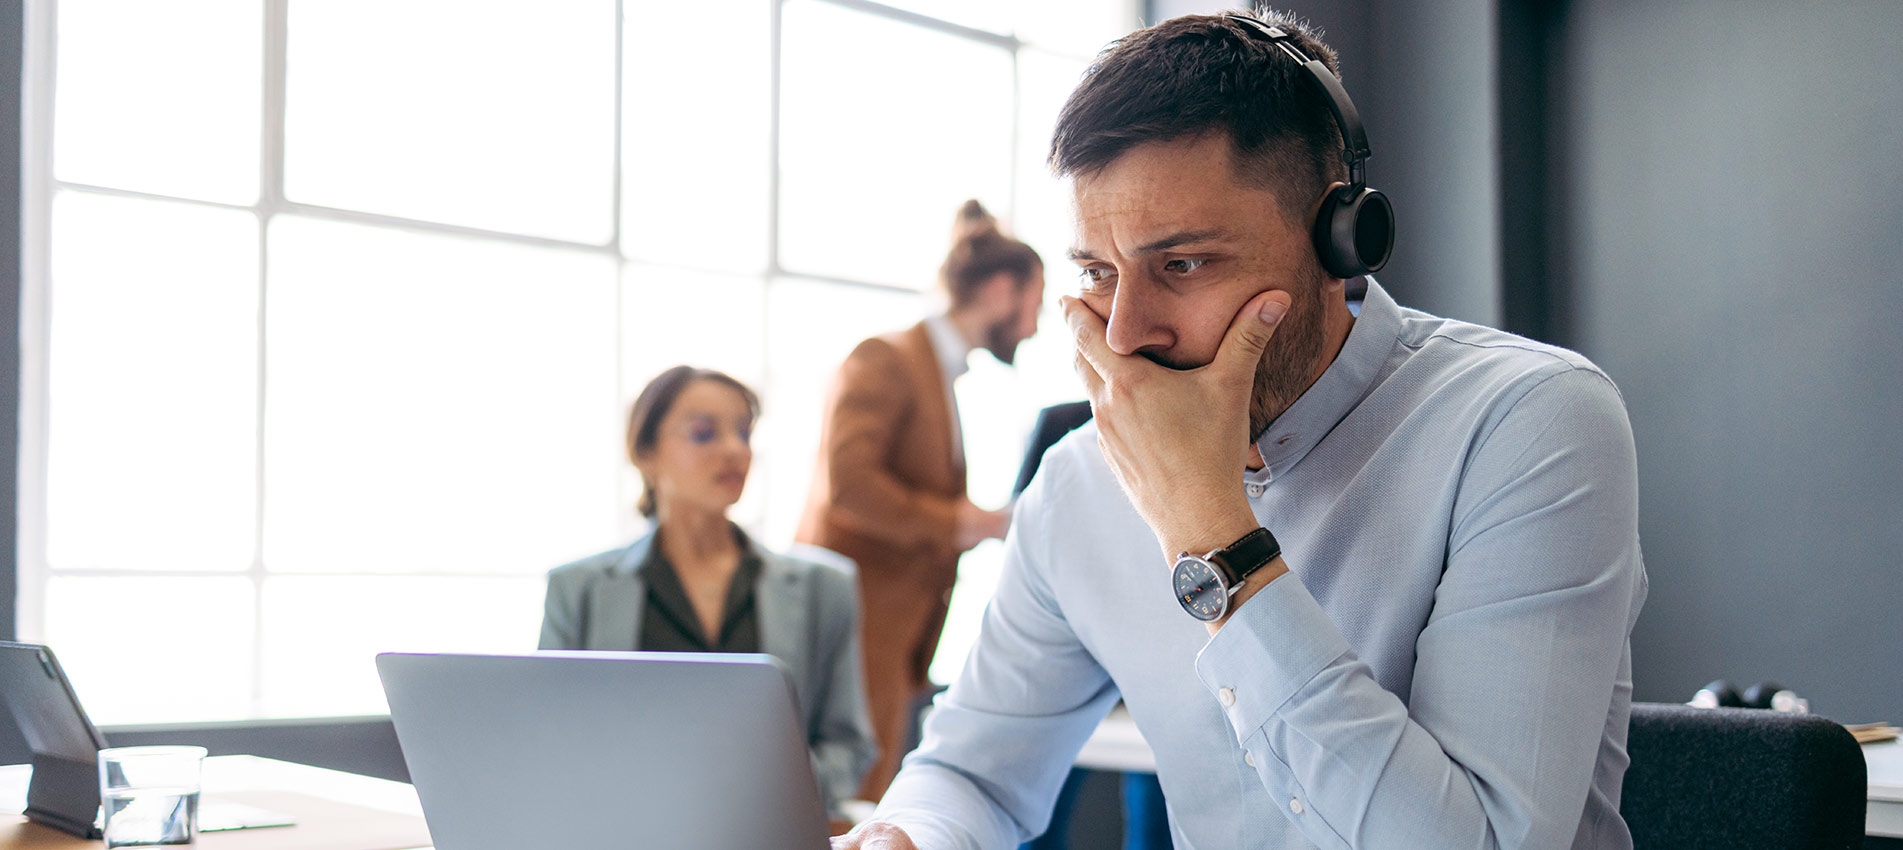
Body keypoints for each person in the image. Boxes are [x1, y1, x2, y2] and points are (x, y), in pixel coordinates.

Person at [839, 10, 1646, 850]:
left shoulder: (1528, 421)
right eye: (1097, 273)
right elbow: (969, 773)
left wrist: (1211, 534)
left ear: (1341, 242)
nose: (1123, 334)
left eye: (1181, 265)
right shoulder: (1078, 485)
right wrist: (912, 835)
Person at [539, 365, 874, 825]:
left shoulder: (824, 587)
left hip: (767, 833)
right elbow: (551, 737)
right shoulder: (578, 589)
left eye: (744, 432)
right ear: (645, 452)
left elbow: (849, 745)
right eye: (703, 433)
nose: (735, 450)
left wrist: (767, 789)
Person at [797, 200, 1047, 801]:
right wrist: (968, 523)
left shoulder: (937, 372)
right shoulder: (886, 359)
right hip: (854, 629)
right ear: (1000, 289)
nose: (1035, 327)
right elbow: (850, 487)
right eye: (1035, 303)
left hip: (894, 638)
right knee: (838, 809)